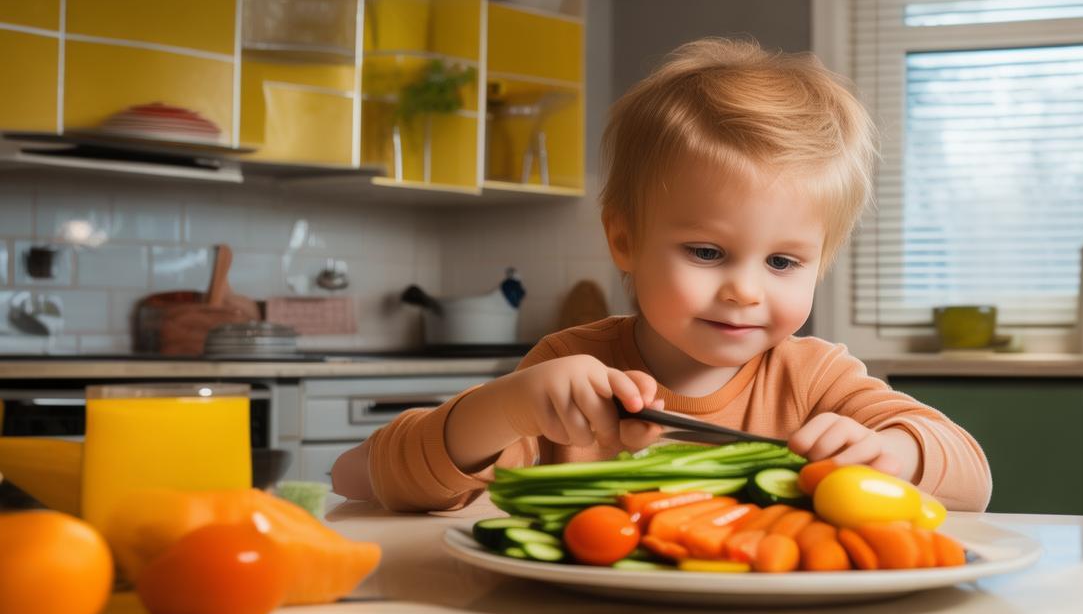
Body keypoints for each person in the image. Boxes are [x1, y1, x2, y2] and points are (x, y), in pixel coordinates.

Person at [332, 37, 991, 513]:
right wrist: (505, 406)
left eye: (783, 262)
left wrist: (897, 455)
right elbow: (363, 476)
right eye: (707, 253)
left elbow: (973, 478)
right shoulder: (570, 368)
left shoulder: (815, 378)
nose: (745, 291)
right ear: (624, 239)